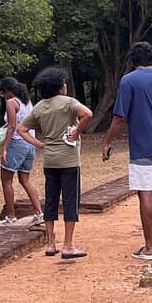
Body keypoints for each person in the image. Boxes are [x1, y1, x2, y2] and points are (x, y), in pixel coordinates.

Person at [101, 42, 152, 259]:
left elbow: (119, 118)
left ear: (132, 60)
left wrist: (107, 142)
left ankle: (149, 247)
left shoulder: (129, 81)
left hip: (142, 146)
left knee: (143, 191)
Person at [17, 66, 92, 259]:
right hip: (69, 159)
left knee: (50, 201)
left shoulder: (40, 106)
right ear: (60, 87)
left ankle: (51, 243)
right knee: (70, 201)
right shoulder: (68, 103)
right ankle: (68, 245)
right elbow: (88, 114)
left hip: (50, 160)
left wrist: (39, 144)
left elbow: (21, 129)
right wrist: (76, 132)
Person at [0, 77, 43, 226]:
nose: (4, 96)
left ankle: (10, 217)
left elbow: (11, 126)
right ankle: (39, 213)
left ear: (7, 91)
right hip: (30, 144)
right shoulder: (27, 102)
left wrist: (4, 147)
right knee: (25, 179)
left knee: (6, 180)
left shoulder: (11, 102)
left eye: (3, 93)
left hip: (17, 143)